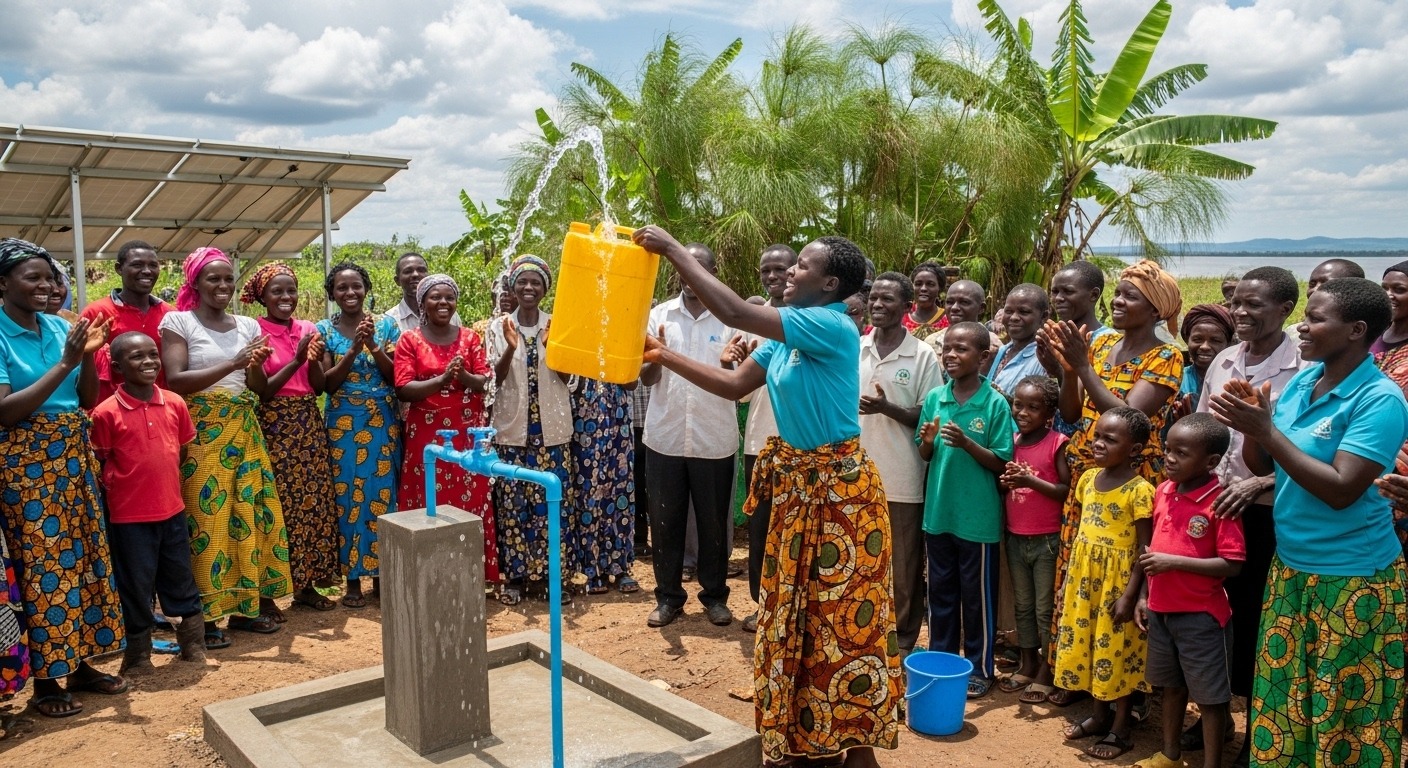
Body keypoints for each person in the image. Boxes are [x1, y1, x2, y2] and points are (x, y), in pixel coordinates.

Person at [633, 225, 899, 768]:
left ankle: (850, 743)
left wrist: (674, 250)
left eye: (802, 265)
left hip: (840, 496)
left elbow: (732, 311)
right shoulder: (786, 339)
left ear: (828, 284)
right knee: (793, 614)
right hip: (799, 489)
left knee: (842, 620)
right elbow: (732, 386)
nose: (789, 272)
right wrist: (662, 354)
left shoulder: (830, 325)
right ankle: (805, 735)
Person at [1210, 277, 1408, 767]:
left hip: (1352, 581)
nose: (1304, 325)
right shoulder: (1304, 381)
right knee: (1286, 703)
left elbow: (1342, 488)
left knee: (1343, 716)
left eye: (1316, 318)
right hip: (1292, 569)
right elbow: (1265, 468)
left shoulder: (1380, 400)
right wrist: (1251, 425)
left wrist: (1268, 431)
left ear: (1356, 330)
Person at [1040, 259, 1183, 708]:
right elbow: (1070, 412)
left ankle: (1125, 694)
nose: (1118, 302)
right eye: (1117, 294)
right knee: (1082, 576)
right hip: (1090, 481)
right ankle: (1081, 674)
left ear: (1156, 310)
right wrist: (1067, 370)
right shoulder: (1100, 350)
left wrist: (1082, 367)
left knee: (1121, 581)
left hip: (1133, 485)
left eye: (1130, 296)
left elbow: (1127, 418)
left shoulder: (1166, 357)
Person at [0, 238, 125, 718]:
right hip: (26, 468)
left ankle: (80, 664)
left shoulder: (59, 326)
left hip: (73, 462)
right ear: (3, 283)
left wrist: (88, 354)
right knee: (42, 567)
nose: (45, 286)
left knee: (84, 560)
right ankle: (48, 681)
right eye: (32, 277)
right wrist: (68, 361)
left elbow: (88, 399)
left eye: (50, 278)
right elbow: (7, 411)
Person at [1194, 266, 1306, 762]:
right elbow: (1204, 430)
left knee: (1263, 622)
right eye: (1237, 302)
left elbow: (1307, 454)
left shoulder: (1304, 368)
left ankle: (1261, 729)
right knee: (1217, 617)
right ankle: (1217, 717)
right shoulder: (1223, 360)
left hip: (1268, 512)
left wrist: (1261, 482)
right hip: (1220, 506)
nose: (1240, 312)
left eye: (1254, 305)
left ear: (1285, 310)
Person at [159, 246, 290, 647]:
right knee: (207, 520)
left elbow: (260, 389)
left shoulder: (248, 326)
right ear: (194, 282)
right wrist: (235, 362)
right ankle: (207, 617)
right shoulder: (178, 322)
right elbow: (176, 380)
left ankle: (246, 608)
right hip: (201, 433)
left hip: (244, 428)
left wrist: (252, 365)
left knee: (249, 515)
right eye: (213, 278)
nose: (222, 285)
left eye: (228, 278)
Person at [89, 331, 208, 669]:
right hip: (128, 517)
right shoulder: (105, 413)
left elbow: (181, 450)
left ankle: (193, 642)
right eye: (137, 357)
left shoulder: (174, 403)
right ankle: (138, 651)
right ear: (116, 367)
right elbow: (102, 458)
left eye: (153, 355)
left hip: (171, 510)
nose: (149, 362)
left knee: (179, 576)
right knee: (135, 583)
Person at [1133, 413, 1244, 768]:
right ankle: (1169, 754)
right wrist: (1144, 597)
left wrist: (1174, 563)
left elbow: (1233, 564)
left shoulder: (1220, 502)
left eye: (1181, 453)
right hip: (1162, 611)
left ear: (1211, 462)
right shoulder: (1164, 490)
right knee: (1170, 687)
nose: (1169, 458)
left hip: (1202, 618)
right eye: (1167, 449)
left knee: (1210, 700)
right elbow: (1151, 554)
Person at [639, 243, 739, 629]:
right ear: (678, 272)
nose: (693, 274)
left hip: (714, 439)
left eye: (702, 267)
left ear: (713, 271)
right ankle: (668, 598)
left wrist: (732, 362)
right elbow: (644, 379)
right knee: (665, 521)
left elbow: (740, 384)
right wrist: (655, 357)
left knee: (714, 523)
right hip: (664, 437)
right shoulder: (659, 316)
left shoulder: (730, 319)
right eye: (687, 266)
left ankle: (714, 597)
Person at [916, 321, 1015, 699]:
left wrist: (968, 443)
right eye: (948, 349)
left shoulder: (994, 404)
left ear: (983, 356)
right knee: (940, 594)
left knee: (976, 600)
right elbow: (925, 453)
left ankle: (980, 666)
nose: (951, 356)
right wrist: (926, 442)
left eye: (961, 350)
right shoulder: (935, 398)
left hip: (977, 521)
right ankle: (940, 660)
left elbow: (1002, 462)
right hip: (938, 516)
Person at [1053, 407, 1155, 761]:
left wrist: (1131, 594)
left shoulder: (1141, 490)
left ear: (1134, 449)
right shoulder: (1087, 479)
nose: (1098, 443)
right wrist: (1071, 581)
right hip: (1086, 582)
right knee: (1092, 648)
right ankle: (1098, 715)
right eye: (1097, 436)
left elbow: (1145, 548)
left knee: (1119, 653)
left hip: (1117, 585)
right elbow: (1084, 533)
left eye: (1110, 439)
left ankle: (1121, 726)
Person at [243, 263, 341, 613]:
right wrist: (297, 358)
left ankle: (307, 584)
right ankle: (268, 592)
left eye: (291, 291)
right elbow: (262, 392)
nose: (286, 298)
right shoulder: (256, 331)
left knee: (311, 502)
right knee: (278, 505)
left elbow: (317, 386)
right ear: (263, 296)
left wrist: (311, 360)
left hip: (307, 420)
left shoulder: (308, 328)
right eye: (277, 292)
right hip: (273, 424)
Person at [395, 274, 498, 589]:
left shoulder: (469, 338)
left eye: (449, 298)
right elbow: (403, 388)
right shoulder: (410, 340)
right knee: (428, 499)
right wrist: (440, 381)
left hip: (467, 434)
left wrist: (462, 375)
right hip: (426, 436)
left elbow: (486, 382)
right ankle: (428, 576)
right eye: (435, 297)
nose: (443, 303)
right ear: (423, 302)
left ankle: (469, 575)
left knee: (470, 500)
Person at [859, 272, 942, 656]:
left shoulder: (922, 355)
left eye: (887, 299)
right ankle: (865, 625)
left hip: (903, 475)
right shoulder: (856, 348)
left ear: (907, 308)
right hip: (856, 473)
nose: (877, 305)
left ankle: (905, 634)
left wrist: (886, 408)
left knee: (904, 564)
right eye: (873, 298)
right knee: (860, 556)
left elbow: (929, 416)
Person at [486, 256, 576, 605]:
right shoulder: (497, 327)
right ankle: (517, 578)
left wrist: (553, 347)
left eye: (535, 283)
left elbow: (570, 380)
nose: (528, 288)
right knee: (513, 507)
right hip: (512, 431)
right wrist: (511, 347)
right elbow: (494, 379)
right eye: (521, 282)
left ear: (544, 289)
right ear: (512, 287)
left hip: (551, 432)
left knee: (552, 506)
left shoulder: (558, 324)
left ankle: (552, 579)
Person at [317, 262, 401, 608]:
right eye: (342, 288)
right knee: (347, 496)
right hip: (343, 423)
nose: (350, 293)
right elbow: (326, 383)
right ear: (332, 294)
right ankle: (352, 579)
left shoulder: (386, 326)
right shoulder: (324, 329)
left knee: (383, 495)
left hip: (382, 420)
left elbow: (398, 376)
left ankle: (383, 575)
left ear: (366, 288)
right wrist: (354, 349)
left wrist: (375, 347)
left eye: (356, 287)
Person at [735, 244, 797, 633]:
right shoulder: (749, 325)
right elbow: (739, 392)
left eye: (781, 269)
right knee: (760, 531)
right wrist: (732, 361)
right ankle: (762, 604)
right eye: (766, 270)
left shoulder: (806, 322)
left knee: (793, 533)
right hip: (759, 442)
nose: (772, 277)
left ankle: (790, 607)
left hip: (799, 447)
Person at [998, 375, 1069, 703]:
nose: (1023, 412)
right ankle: (1028, 663)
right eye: (1018, 405)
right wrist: (1008, 482)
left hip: (1047, 540)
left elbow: (1064, 491)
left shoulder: (1057, 443)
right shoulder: (1009, 440)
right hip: (1016, 536)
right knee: (1023, 606)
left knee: (1044, 609)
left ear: (1049, 412)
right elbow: (1004, 486)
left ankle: (1047, 670)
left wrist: (1029, 479)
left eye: (1032, 407)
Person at [571, 375, 640, 595]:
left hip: (617, 419)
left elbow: (632, 383)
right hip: (584, 420)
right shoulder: (578, 339)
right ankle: (591, 569)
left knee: (619, 491)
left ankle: (620, 567)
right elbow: (570, 382)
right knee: (588, 495)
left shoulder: (618, 339)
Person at [79, 240, 168, 404]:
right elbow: (80, 365)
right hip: (111, 413)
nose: (147, 271)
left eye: (153, 265)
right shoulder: (97, 313)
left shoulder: (170, 314)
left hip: (159, 409)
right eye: (137, 265)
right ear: (119, 269)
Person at [988, 284, 1052, 397]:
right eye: (1008, 311)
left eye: (1024, 312)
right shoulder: (1001, 352)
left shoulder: (1045, 356)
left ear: (1044, 317)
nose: (1013, 317)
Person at [1176, 303, 1235, 415]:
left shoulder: (1236, 380)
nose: (1205, 347)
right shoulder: (1176, 379)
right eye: (1197, 339)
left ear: (1228, 344)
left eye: (1215, 341)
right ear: (1187, 340)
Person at [386, 252, 460, 333]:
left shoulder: (448, 314)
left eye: (421, 270)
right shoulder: (389, 320)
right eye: (408, 271)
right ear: (397, 280)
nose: (415, 274)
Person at [924, 279, 1000, 357]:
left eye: (964, 302)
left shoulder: (994, 345)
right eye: (950, 302)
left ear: (981, 308)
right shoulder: (931, 343)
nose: (954, 308)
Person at [903, 262, 948, 340]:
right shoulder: (900, 318)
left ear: (939, 288)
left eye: (930, 284)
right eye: (918, 284)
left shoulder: (948, 319)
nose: (923, 288)